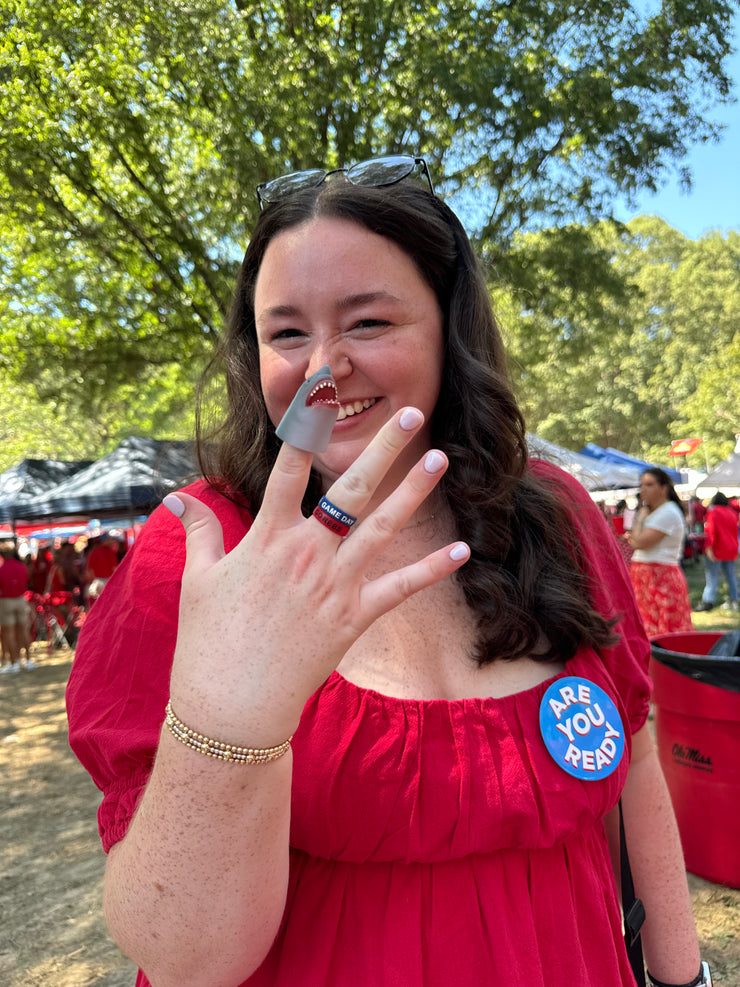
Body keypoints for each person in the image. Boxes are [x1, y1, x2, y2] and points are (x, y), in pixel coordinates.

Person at [67, 159, 706, 987]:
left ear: (449, 328)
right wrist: (228, 723)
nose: (322, 368)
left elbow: (637, 754)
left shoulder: (557, 511)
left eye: (367, 322)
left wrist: (681, 974)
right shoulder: (198, 551)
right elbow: (185, 959)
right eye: (287, 333)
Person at [626, 468, 694, 638]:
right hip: (649, 576)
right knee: (649, 627)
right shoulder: (657, 511)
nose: (643, 489)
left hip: (660, 576)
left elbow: (639, 542)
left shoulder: (668, 511)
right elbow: (636, 541)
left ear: (664, 488)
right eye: (642, 485)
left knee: (665, 632)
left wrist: (640, 517)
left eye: (649, 484)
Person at [693, 492, 739, 612]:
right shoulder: (732, 513)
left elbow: (710, 531)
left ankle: (708, 601)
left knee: (712, 576)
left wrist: (708, 548)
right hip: (730, 548)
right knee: (731, 575)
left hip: (717, 549)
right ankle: (734, 600)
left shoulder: (713, 512)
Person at [0, 542, 33, 673]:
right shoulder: (21, 567)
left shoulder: (2, 569)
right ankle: (28, 660)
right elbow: (27, 581)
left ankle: (14, 662)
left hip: (6, 601)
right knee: (23, 630)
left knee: (9, 633)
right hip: (21, 600)